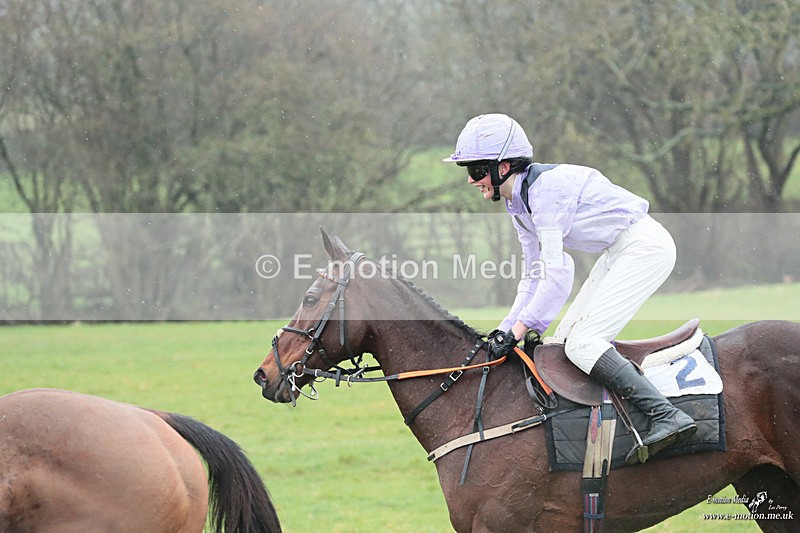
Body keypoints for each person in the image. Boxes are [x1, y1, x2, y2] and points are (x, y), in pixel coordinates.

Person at [443, 113, 696, 465]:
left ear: (503, 166)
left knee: (584, 343)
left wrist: (521, 329)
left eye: (474, 170)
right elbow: (533, 276)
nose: (471, 181)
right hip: (617, 252)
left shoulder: (547, 192)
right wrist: (507, 329)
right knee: (561, 345)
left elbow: (557, 276)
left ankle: (667, 416)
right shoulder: (518, 202)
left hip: (645, 248)